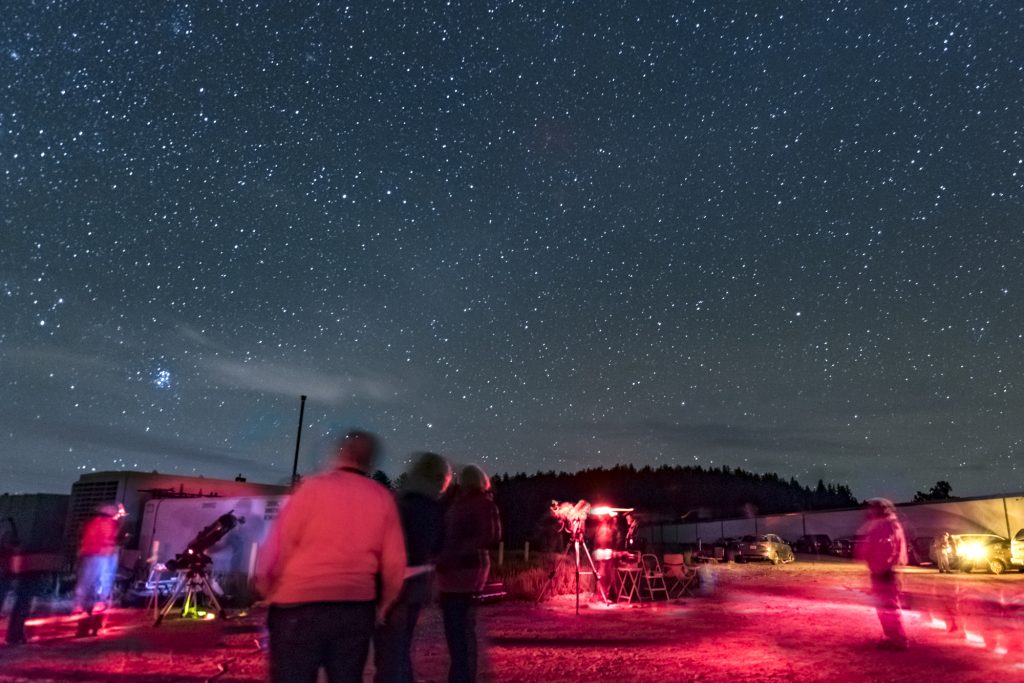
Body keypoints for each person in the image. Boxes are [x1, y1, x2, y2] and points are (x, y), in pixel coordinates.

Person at [255, 430, 406, 683]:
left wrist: (267, 586)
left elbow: (279, 545)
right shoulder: (382, 498)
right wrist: (382, 606)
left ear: (340, 454)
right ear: (369, 461)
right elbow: (394, 564)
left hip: (298, 606)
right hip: (354, 607)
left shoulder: (313, 488)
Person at [373, 452, 451, 683]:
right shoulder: (437, 509)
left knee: (389, 652)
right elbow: (439, 547)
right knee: (401, 647)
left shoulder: (401, 505)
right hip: (419, 583)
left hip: (395, 583)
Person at [436, 465, 501, 683]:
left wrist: (452, 552)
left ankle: (461, 677)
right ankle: (460, 676)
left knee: (460, 632)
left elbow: (489, 536)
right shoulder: (470, 504)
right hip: (458, 571)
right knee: (459, 631)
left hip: (463, 573)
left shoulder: (480, 504)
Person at [859, 498, 909, 650]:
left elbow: (889, 548)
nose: (870, 511)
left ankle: (898, 640)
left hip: (885, 572)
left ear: (882, 509)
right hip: (881, 570)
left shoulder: (888, 525)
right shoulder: (884, 524)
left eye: (873, 508)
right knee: (884, 607)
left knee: (889, 607)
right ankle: (892, 637)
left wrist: (881, 567)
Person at [74, 503, 124, 617]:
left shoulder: (95, 522)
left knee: (88, 579)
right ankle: (95, 602)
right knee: (98, 579)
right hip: (100, 554)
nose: (114, 511)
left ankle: (82, 604)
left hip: (95, 554)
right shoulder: (104, 522)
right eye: (112, 509)